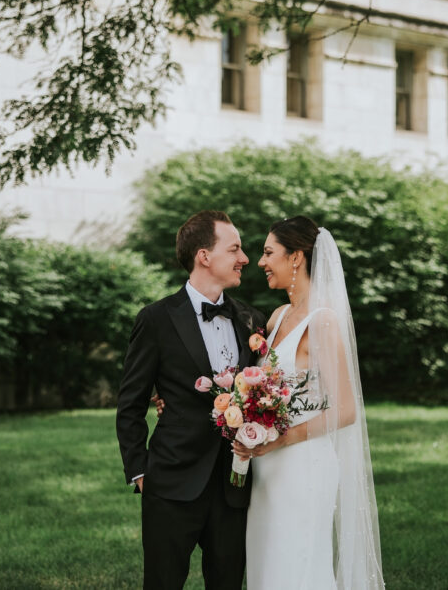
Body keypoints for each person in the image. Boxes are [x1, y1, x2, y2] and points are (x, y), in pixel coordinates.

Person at [116, 210, 266, 590]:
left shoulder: (250, 321)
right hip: (171, 480)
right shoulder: (157, 319)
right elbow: (131, 403)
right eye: (234, 248)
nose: (244, 258)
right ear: (204, 256)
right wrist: (140, 472)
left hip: (234, 484)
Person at [234, 216, 385, 589]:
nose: (261, 261)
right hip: (266, 468)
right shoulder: (276, 317)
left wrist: (281, 439)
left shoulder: (323, 321)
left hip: (302, 466)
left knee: (297, 563)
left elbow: (345, 410)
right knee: (266, 563)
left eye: (269, 253)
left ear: (296, 257)